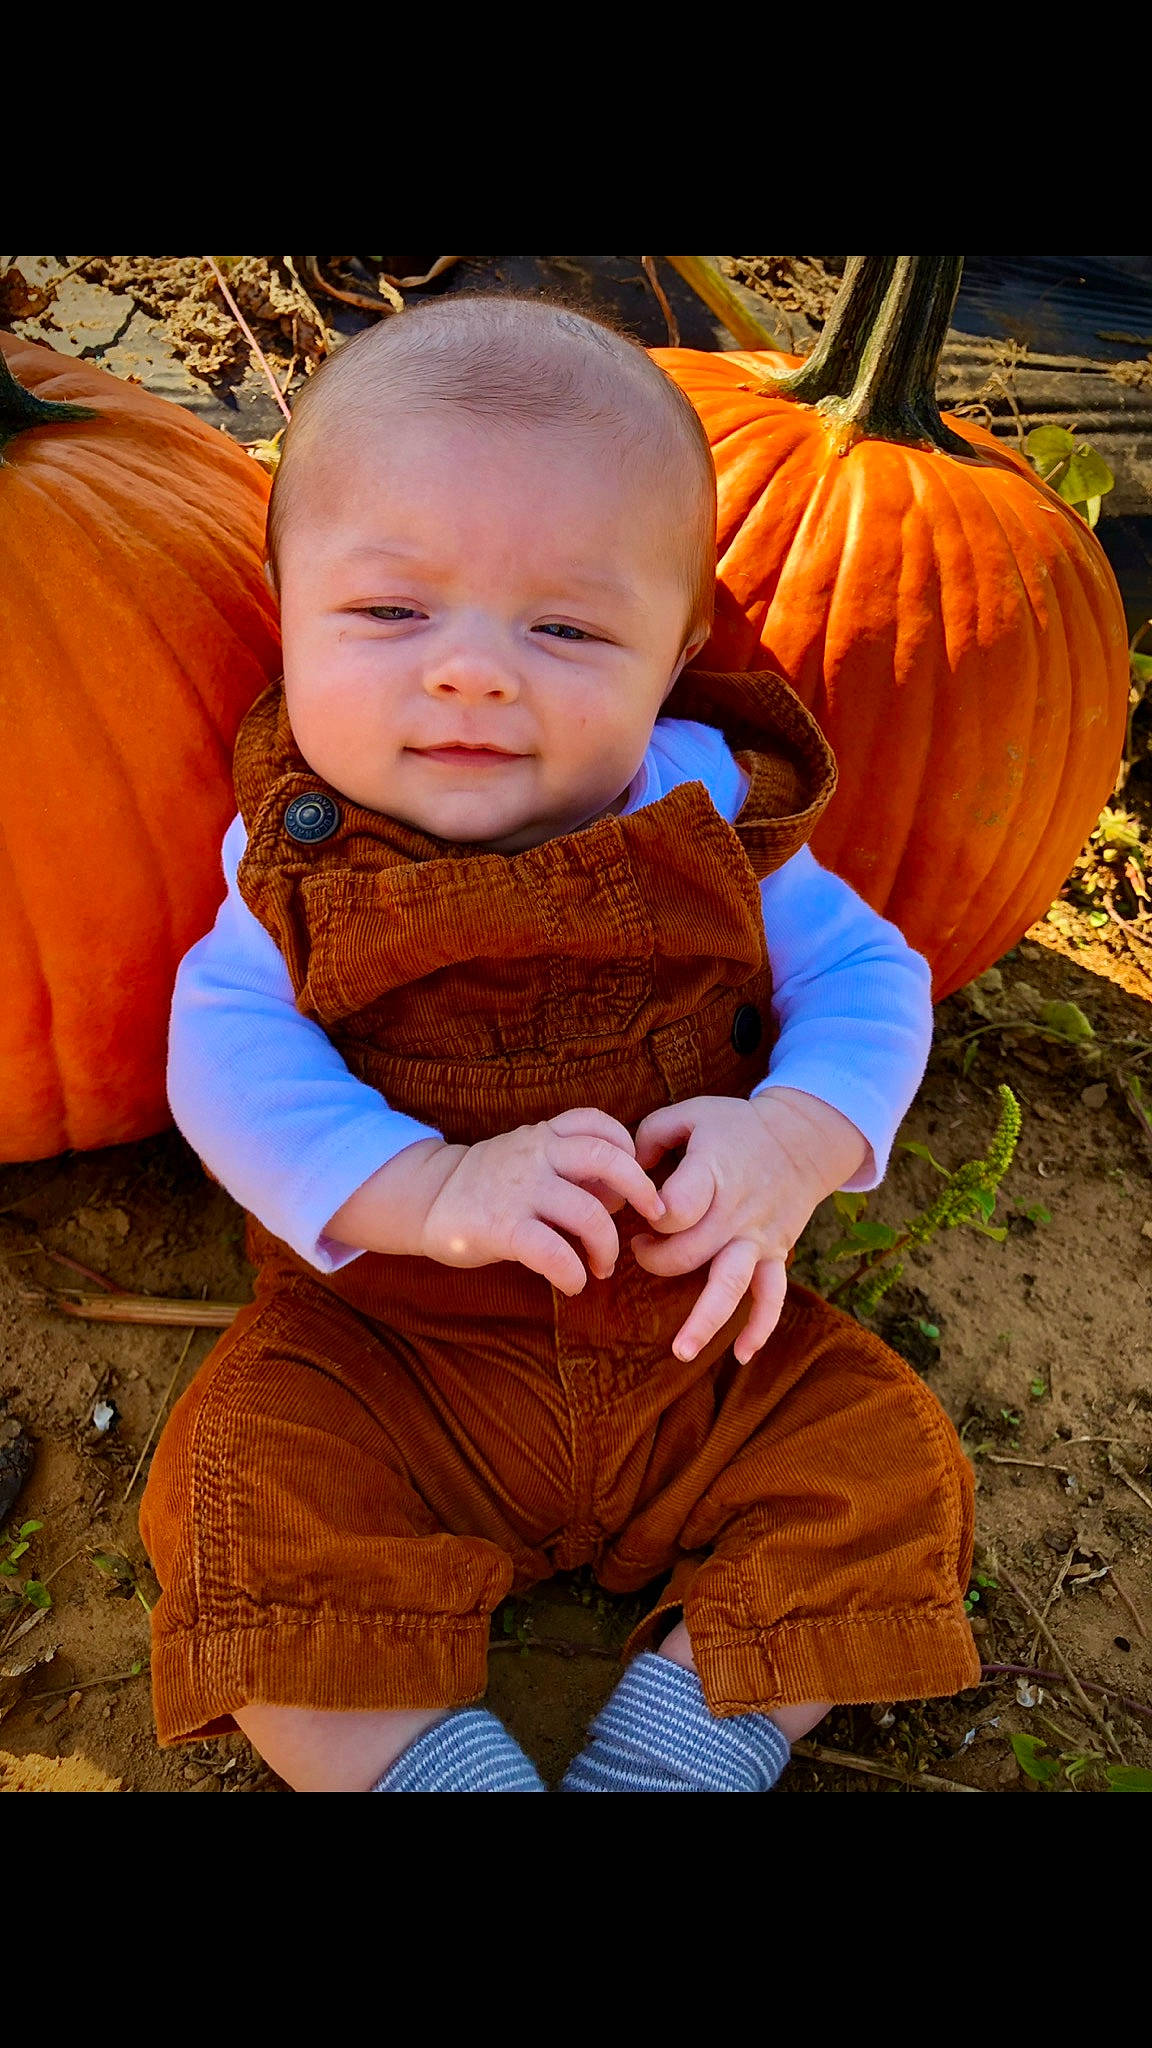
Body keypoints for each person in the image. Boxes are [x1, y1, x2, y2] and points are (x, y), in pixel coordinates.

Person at [140, 295, 980, 1793]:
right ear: (286, 615)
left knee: (879, 1465)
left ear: (674, 655)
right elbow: (226, 1056)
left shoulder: (712, 819)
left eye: (570, 627)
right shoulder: (294, 863)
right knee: (242, 1493)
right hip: (394, 1352)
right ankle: (431, 1770)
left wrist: (793, 1135)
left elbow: (870, 976)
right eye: (392, 614)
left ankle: (676, 1751)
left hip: (697, 1347)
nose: (472, 671)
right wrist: (428, 1194)